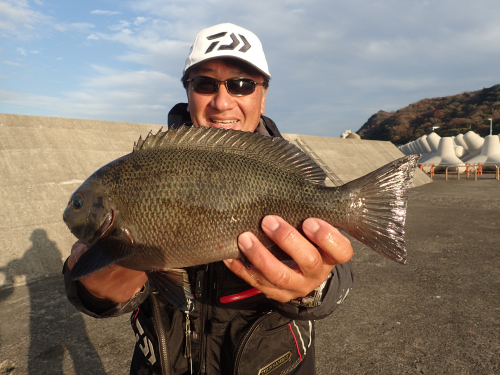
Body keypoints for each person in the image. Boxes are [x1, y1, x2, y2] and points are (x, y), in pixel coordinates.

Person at [64, 23, 354, 375]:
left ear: (263, 96)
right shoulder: (146, 169)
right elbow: (94, 292)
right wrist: (96, 290)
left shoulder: (284, 175)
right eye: (204, 83)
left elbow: (340, 277)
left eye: (242, 84)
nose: (221, 101)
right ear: (188, 91)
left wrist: (315, 286)